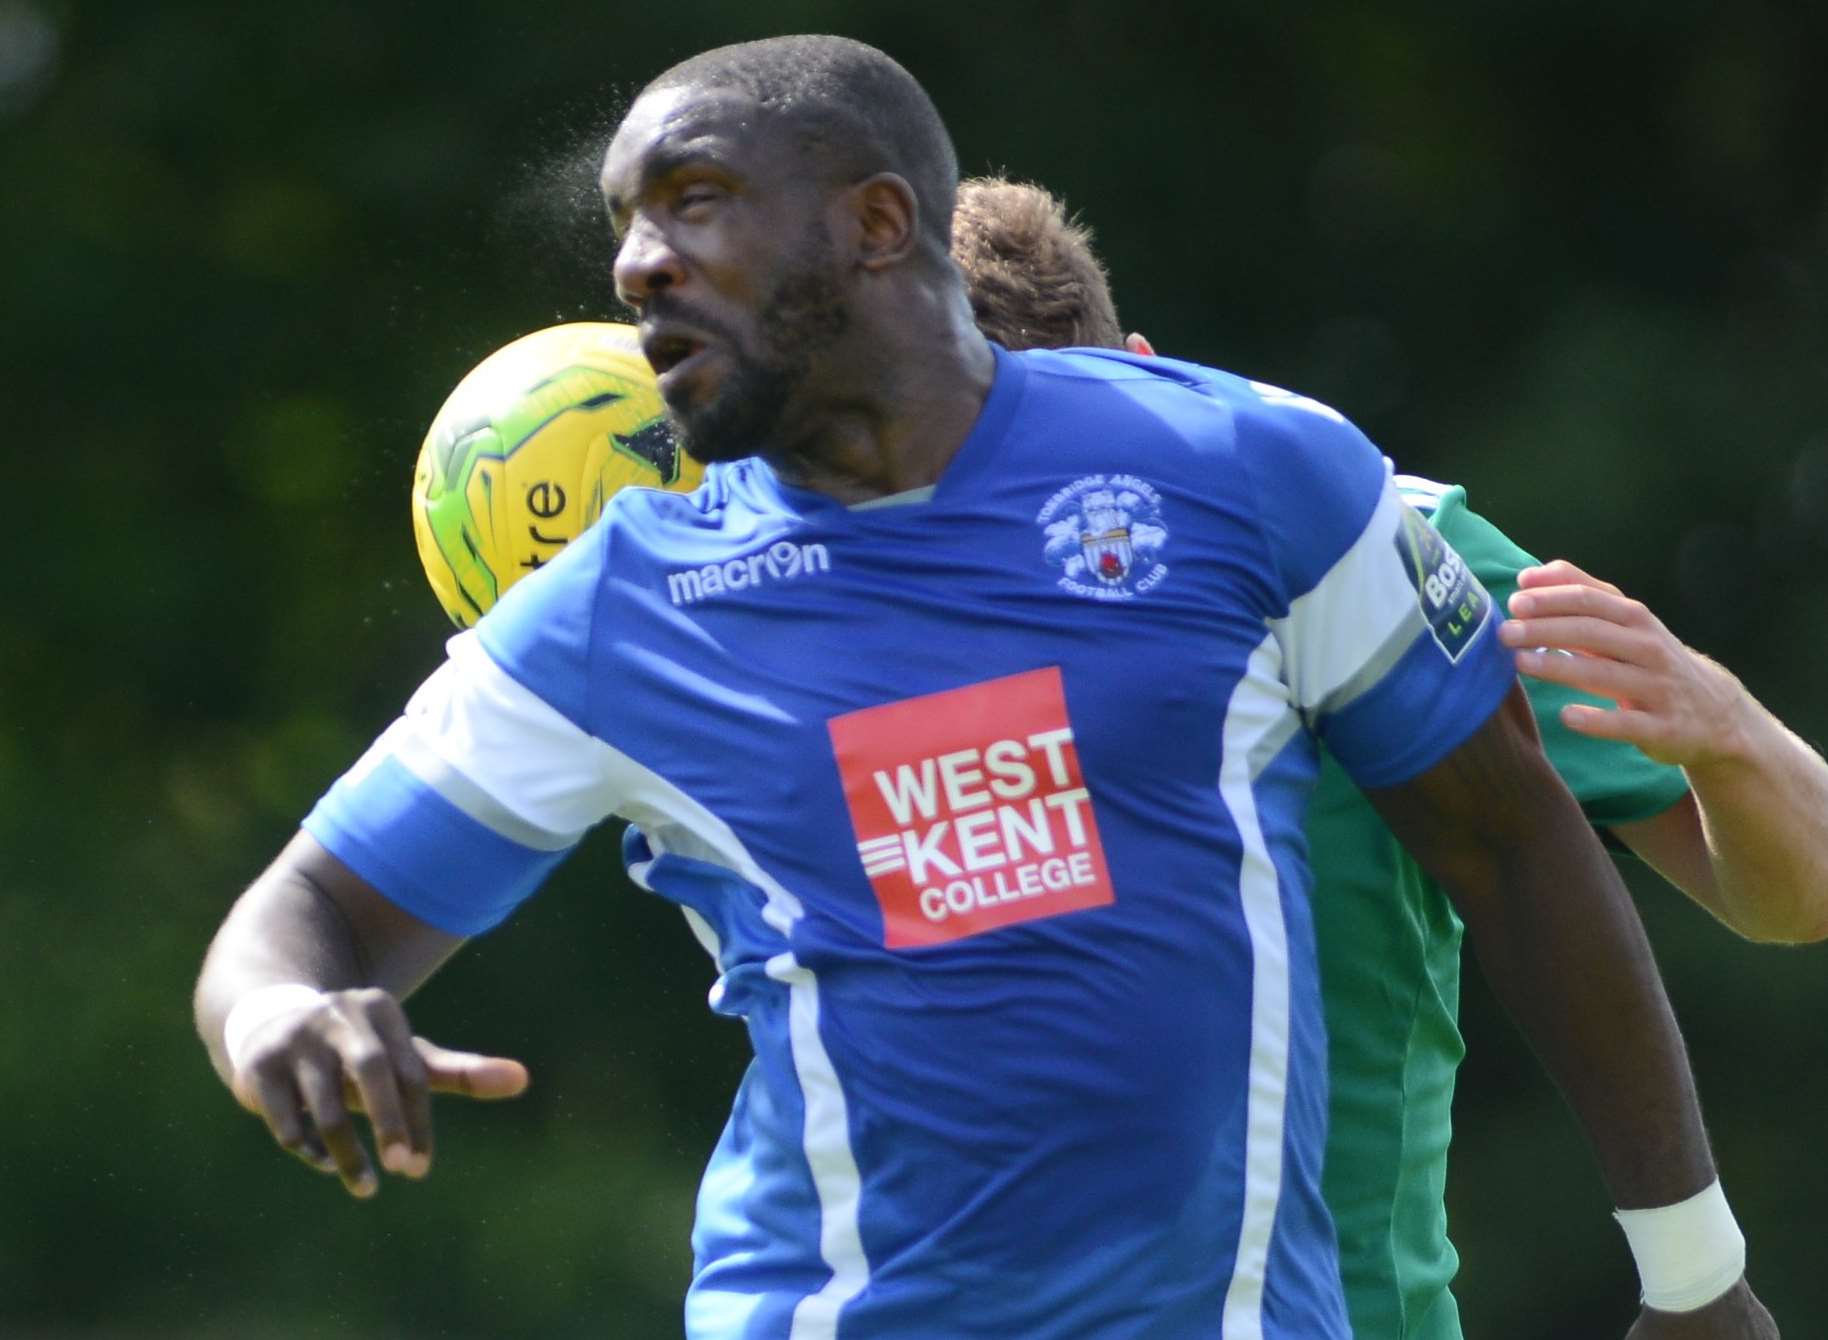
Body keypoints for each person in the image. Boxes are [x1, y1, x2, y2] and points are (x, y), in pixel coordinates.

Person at [194, 37, 1779, 1338]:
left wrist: (1697, 1275)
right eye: (625, 222)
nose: (637, 266)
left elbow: (1510, 838)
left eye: (691, 205)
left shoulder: (1251, 476)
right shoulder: (624, 608)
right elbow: (303, 915)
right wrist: (282, 1008)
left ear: (879, 225)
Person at [945, 177, 1828, 1336]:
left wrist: (1726, 729)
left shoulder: (1365, 546)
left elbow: (1793, 893)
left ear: (1153, 377)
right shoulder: (846, 614)